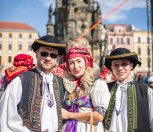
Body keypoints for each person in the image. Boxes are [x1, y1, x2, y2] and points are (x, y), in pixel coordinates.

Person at [0, 35, 66, 132]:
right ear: (37, 53)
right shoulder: (21, 80)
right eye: (44, 53)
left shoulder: (61, 82)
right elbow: (6, 113)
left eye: (53, 55)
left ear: (57, 58)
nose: (48, 58)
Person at [59, 46, 110, 132]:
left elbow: (99, 116)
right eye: (71, 63)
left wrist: (69, 115)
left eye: (79, 61)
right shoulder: (68, 84)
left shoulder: (97, 83)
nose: (75, 66)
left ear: (86, 61)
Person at [104, 48, 151, 132]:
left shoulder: (145, 91)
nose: (120, 68)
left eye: (124, 64)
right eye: (116, 65)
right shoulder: (104, 89)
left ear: (131, 66)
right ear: (111, 67)